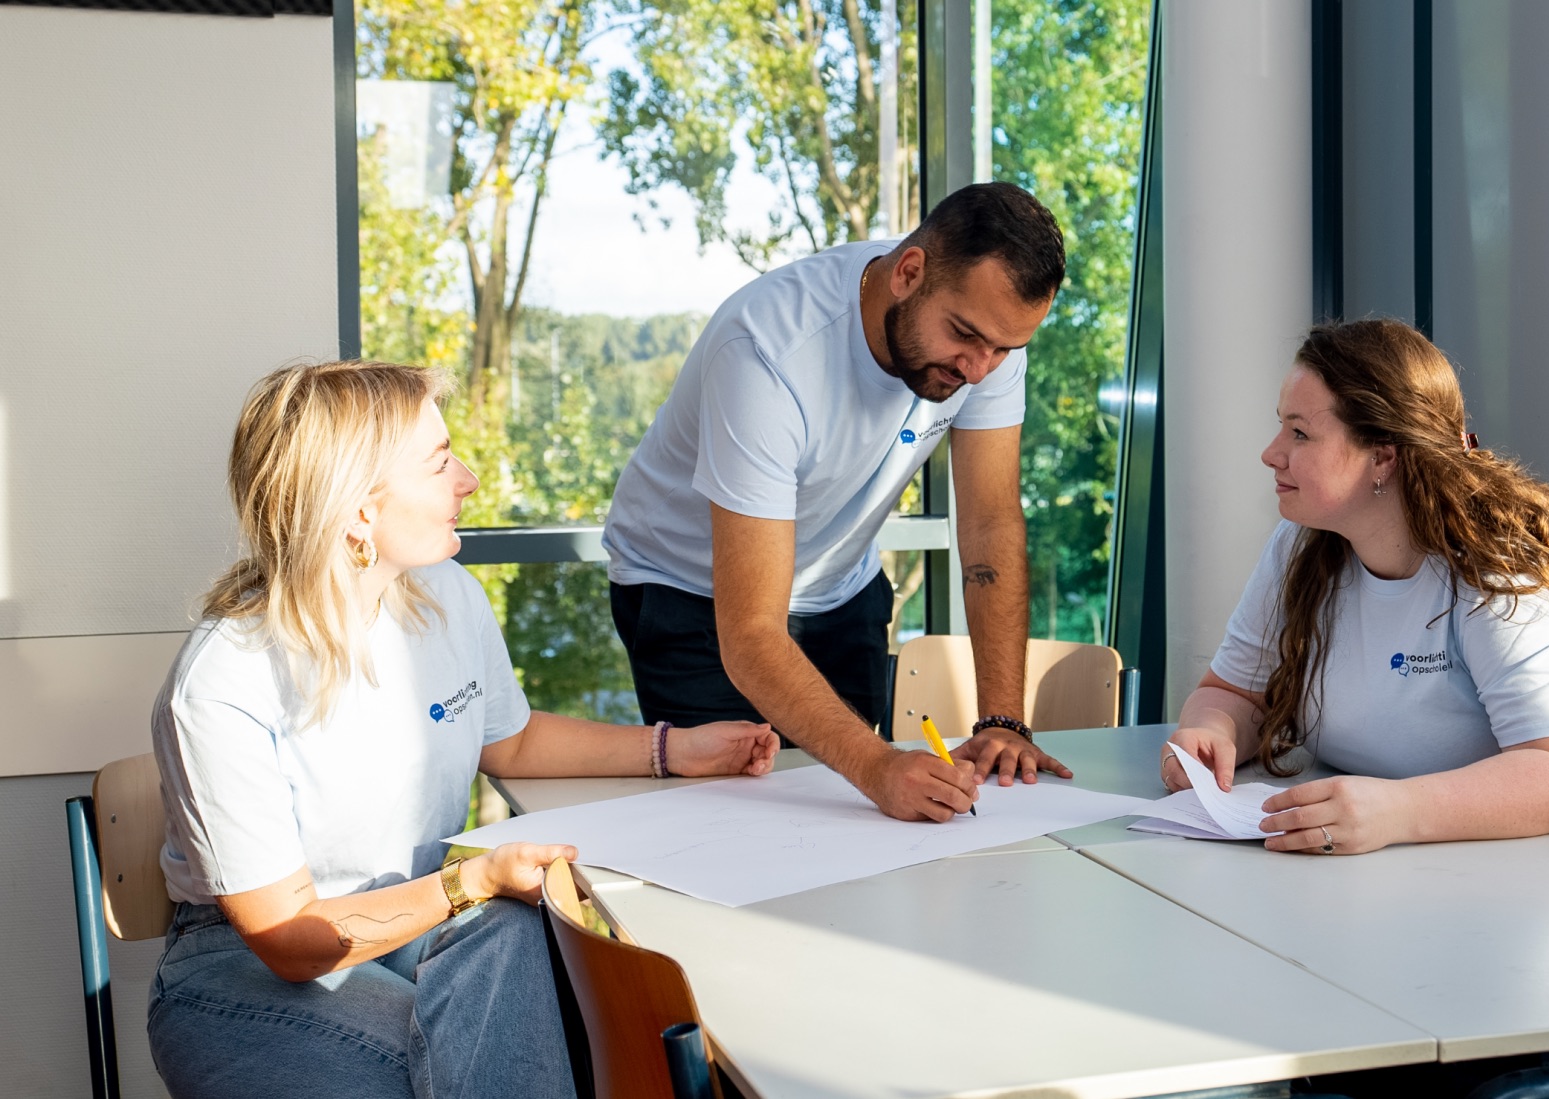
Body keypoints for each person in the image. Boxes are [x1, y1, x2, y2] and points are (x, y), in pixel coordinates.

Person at [147, 361, 779, 1099]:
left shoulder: (443, 593)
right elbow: (289, 937)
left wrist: (671, 749)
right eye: (439, 460)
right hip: (246, 968)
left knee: (515, 939)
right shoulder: (224, 681)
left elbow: (508, 741)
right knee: (495, 1070)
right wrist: (470, 879)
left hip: (413, 932)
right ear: (356, 511)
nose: (469, 479)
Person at [1164, 319, 1549, 881]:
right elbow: (1232, 693)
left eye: (1300, 434)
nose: (1271, 454)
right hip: (1458, 870)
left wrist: (1392, 811)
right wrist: (1213, 733)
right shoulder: (1301, 545)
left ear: (1382, 456)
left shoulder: (1495, 565)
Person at [602, 181, 1074, 824]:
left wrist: (1001, 721)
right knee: (738, 826)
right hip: (690, 593)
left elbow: (990, 522)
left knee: (847, 822)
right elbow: (750, 636)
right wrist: (877, 764)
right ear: (909, 273)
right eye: (965, 337)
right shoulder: (767, 351)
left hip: (837, 583)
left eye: (1004, 349)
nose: (979, 370)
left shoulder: (985, 341)